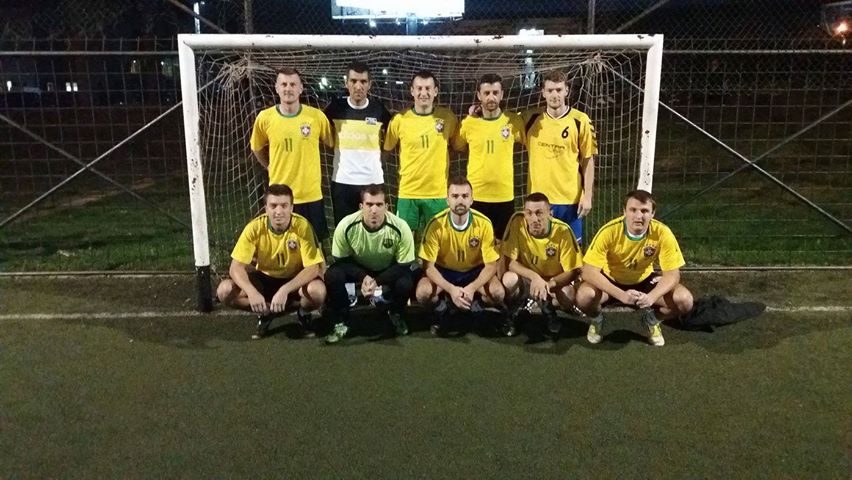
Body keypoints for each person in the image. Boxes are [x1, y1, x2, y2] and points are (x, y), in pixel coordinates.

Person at [575, 189, 694, 347]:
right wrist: (621, 295)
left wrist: (651, 297)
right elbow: (588, 271)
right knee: (584, 296)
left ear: (652, 213)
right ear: (624, 211)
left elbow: (672, 275)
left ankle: (651, 320)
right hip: (611, 281)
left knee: (684, 300)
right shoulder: (609, 231)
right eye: (633, 210)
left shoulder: (662, 232)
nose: (639, 216)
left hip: (644, 281)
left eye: (644, 211)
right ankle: (597, 320)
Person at [216, 184, 327, 339]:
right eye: (273, 206)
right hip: (265, 279)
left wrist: (285, 290)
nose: (278, 211)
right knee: (224, 290)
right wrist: (251, 292)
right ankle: (265, 312)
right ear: (266, 208)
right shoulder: (254, 228)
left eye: (284, 206)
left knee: (318, 291)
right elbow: (235, 268)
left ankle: (303, 312)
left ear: (292, 208)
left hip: (294, 280)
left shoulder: (302, 226)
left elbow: (313, 268)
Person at [324, 184, 418, 344]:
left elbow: (403, 265)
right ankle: (341, 319)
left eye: (379, 205)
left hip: (387, 267)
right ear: (361, 206)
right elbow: (341, 261)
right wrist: (363, 276)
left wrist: (377, 282)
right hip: (359, 267)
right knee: (332, 275)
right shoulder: (346, 225)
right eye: (369, 204)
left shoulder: (400, 227)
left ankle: (395, 313)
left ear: (386, 207)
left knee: (406, 282)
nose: (374, 210)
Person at [415, 175, 506, 336]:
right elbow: (428, 267)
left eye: (465, 196)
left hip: (474, 272)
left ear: (472, 199)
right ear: (447, 200)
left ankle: (476, 305)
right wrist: (451, 289)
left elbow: (491, 265)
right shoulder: (435, 224)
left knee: (498, 293)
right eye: (455, 196)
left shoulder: (484, 223)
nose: (460, 201)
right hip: (445, 272)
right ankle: (442, 310)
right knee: (422, 293)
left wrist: (472, 288)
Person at [250, 67, 334, 240]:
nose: (288, 88)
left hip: (310, 194)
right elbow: (256, 147)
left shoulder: (316, 117)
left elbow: (331, 142)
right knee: (282, 244)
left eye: (293, 84)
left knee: (315, 245)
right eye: (284, 84)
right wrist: (268, 166)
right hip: (280, 197)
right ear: (276, 88)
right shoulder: (265, 118)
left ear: (301, 88)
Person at [523, 70, 597, 242]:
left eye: (558, 90)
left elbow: (588, 160)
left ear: (566, 91)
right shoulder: (530, 119)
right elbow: (504, 122)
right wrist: (477, 111)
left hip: (570, 200)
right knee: (539, 249)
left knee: (571, 251)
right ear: (543, 92)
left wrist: (587, 196)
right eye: (550, 90)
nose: (554, 95)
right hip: (538, 200)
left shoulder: (581, 120)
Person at [383, 70, 458, 234]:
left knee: (439, 240)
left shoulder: (447, 118)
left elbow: (456, 146)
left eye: (428, 88)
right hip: (408, 192)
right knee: (404, 240)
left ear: (435, 91)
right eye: (419, 88)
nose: (423, 93)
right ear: (412, 91)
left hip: (437, 193)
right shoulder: (399, 120)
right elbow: (387, 150)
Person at [452, 73, 525, 240]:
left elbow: (530, 141)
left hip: (504, 195)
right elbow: (457, 145)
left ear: (502, 94)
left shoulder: (513, 121)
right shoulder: (469, 123)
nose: (491, 97)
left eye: (495, 92)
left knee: (503, 245)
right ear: (479, 95)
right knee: (475, 243)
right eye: (486, 93)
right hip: (477, 195)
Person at [501, 192, 583, 336]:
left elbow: (573, 271)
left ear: (550, 214)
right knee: (509, 279)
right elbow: (510, 263)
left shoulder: (563, 230)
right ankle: (515, 310)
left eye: (539, 213)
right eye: (529, 213)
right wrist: (534, 277)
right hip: (528, 279)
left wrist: (548, 285)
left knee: (569, 296)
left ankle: (548, 308)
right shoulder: (517, 222)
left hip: (552, 282)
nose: (534, 219)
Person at [324, 61, 393, 224]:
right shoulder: (336, 108)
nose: (358, 86)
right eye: (353, 81)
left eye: (363, 81)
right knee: (344, 230)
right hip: (343, 182)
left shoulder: (379, 109)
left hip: (373, 181)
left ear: (370, 84)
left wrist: (381, 158)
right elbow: (322, 131)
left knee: (374, 229)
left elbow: (392, 135)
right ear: (346, 83)